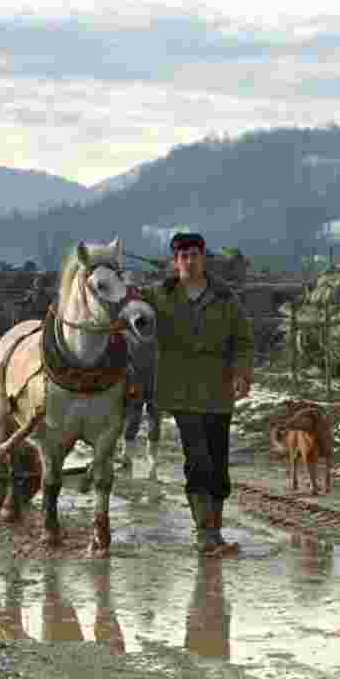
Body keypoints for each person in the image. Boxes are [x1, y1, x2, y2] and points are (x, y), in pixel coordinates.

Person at [139, 232, 254, 555]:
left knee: (218, 462)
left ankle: (215, 530)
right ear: (175, 262)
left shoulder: (224, 297)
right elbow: (129, 310)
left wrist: (242, 373)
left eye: (195, 255)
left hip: (218, 389)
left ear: (204, 258)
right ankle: (204, 533)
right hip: (180, 389)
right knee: (198, 458)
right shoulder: (158, 295)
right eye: (183, 256)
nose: (189, 261)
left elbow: (242, 340)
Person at [117, 272, 162, 481]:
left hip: (139, 374)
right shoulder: (151, 309)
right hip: (154, 373)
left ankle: (130, 458)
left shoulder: (131, 310)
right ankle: (149, 462)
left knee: (136, 415)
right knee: (150, 415)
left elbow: (138, 321)